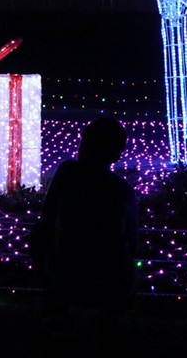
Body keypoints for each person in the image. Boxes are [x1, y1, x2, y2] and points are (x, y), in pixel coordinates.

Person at [32, 118, 138, 317]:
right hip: (112, 287)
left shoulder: (67, 173)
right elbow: (133, 242)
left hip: (65, 281)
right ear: (117, 154)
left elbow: (45, 223)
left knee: (38, 236)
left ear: (85, 144)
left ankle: (56, 318)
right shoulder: (123, 190)